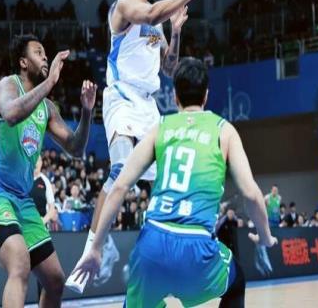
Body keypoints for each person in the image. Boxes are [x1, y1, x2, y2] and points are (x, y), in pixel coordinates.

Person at [67, 0, 218, 292]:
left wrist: (176, 33)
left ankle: (169, 253)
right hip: (121, 96)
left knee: (166, 181)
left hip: (148, 106)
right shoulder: (124, 6)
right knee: (120, 171)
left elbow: (169, 68)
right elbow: (149, 16)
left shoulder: (158, 21)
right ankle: (96, 248)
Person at [73, 58, 277, 307]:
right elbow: (251, 194)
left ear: (175, 97)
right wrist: (265, 237)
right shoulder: (224, 130)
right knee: (236, 282)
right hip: (197, 249)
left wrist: (95, 248)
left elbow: (119, 187)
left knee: (140, 290)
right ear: (206, 95)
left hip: (152, 246)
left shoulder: (161, 127)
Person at [0, 34, 96, 308]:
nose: (45, 57)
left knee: (55, 280)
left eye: (46, 53)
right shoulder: (8, 85)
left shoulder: (47, 108)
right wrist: (50, 82)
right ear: (23, 62)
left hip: (22, 200)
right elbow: (11, 114)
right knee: (19, 262)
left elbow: (75, 147)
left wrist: (87, 112)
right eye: (39, 52)